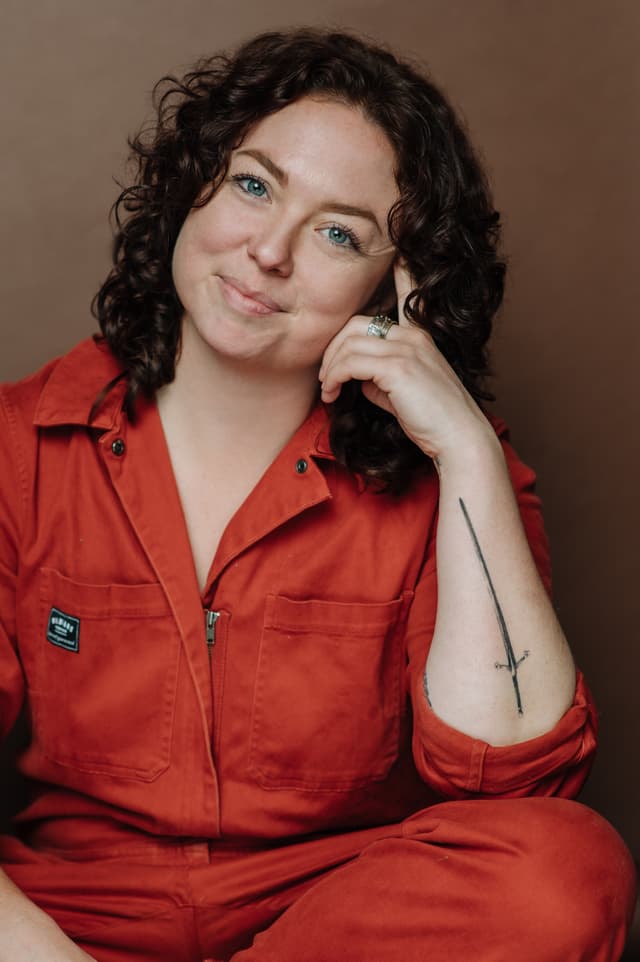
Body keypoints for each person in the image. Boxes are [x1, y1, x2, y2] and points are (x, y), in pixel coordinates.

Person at [0, 27, 635, 962]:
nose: (268, 252)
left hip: (329, 926)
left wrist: (462, 451)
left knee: (565, 867)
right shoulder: (19, 443)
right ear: (194, 185)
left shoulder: (458, 475)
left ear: (396, 288)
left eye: (340, 233)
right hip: (67, 923)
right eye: (255, 185)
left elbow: (511, 775)